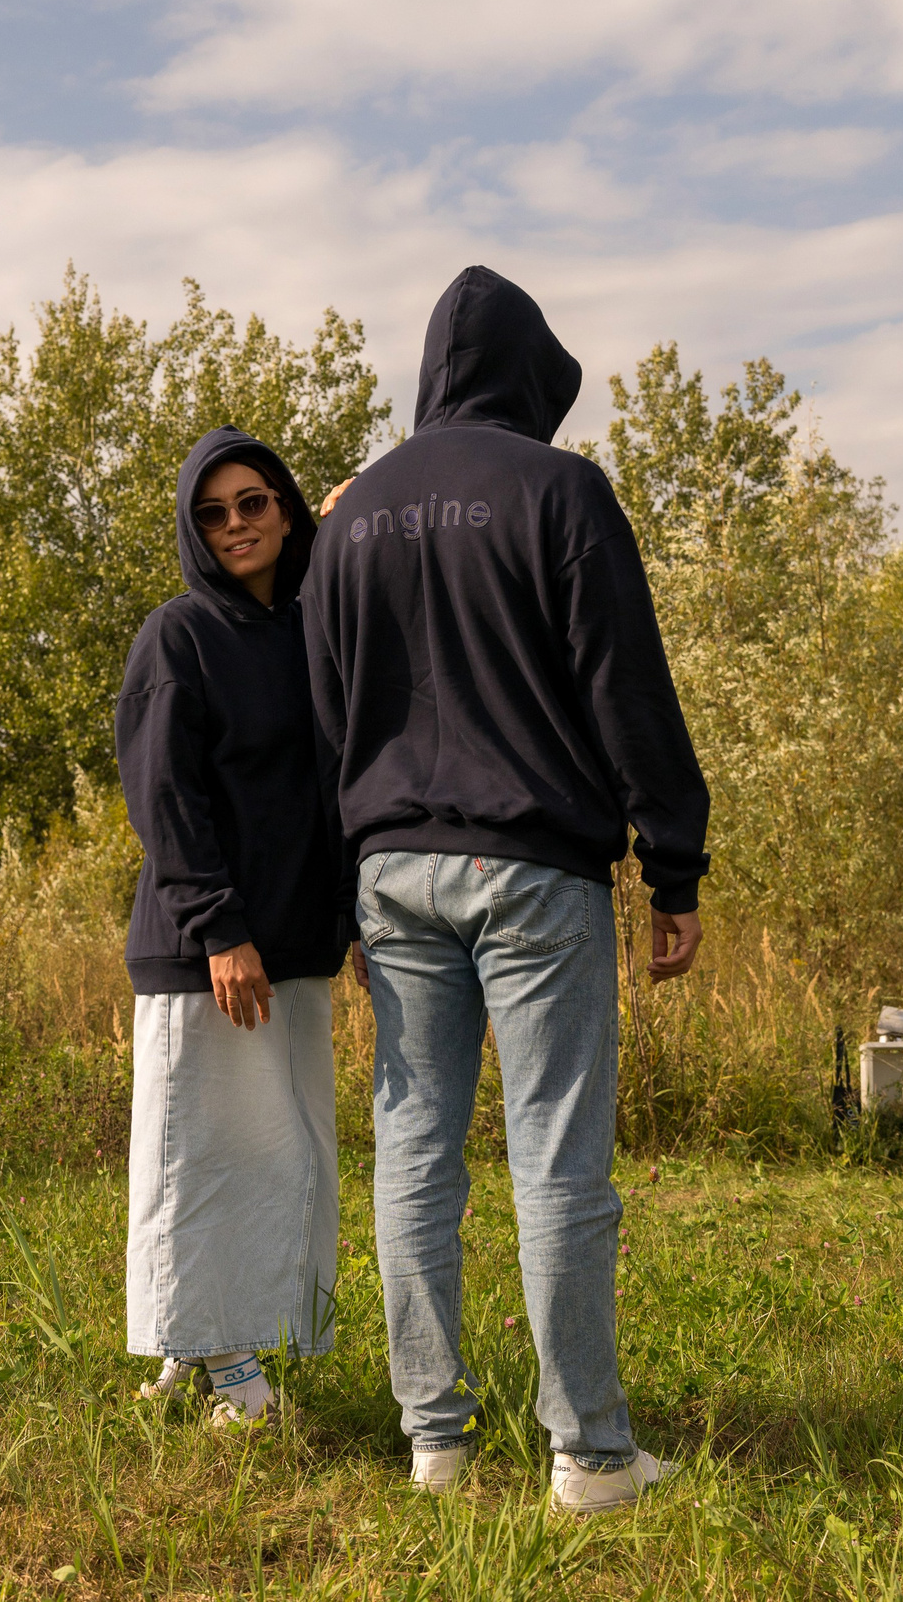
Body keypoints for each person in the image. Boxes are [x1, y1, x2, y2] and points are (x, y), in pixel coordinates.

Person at [302, 267, 711, 1512]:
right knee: (556, 1159)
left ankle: (435, 1440)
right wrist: (672, 859)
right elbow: (621, 682)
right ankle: (587, 1454)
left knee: (414, 1151)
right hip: (533, 867)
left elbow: (328, 721)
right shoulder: (560, 490)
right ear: (531, 376)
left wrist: (348, 888)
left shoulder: (352, 515)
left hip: (388, 871)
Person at [116, 426, 350, 1427]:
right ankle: (226, 1371)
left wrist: (349, 528)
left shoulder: (306, 631)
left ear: (285, 510)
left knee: (273, 1157)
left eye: (253, 503)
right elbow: (164, 795)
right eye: (210, 513)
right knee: (197, 1158)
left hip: (291, 943)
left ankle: (194, 1336)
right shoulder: (179, 635)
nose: (234, 526)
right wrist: (219, 929)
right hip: (208, 950)